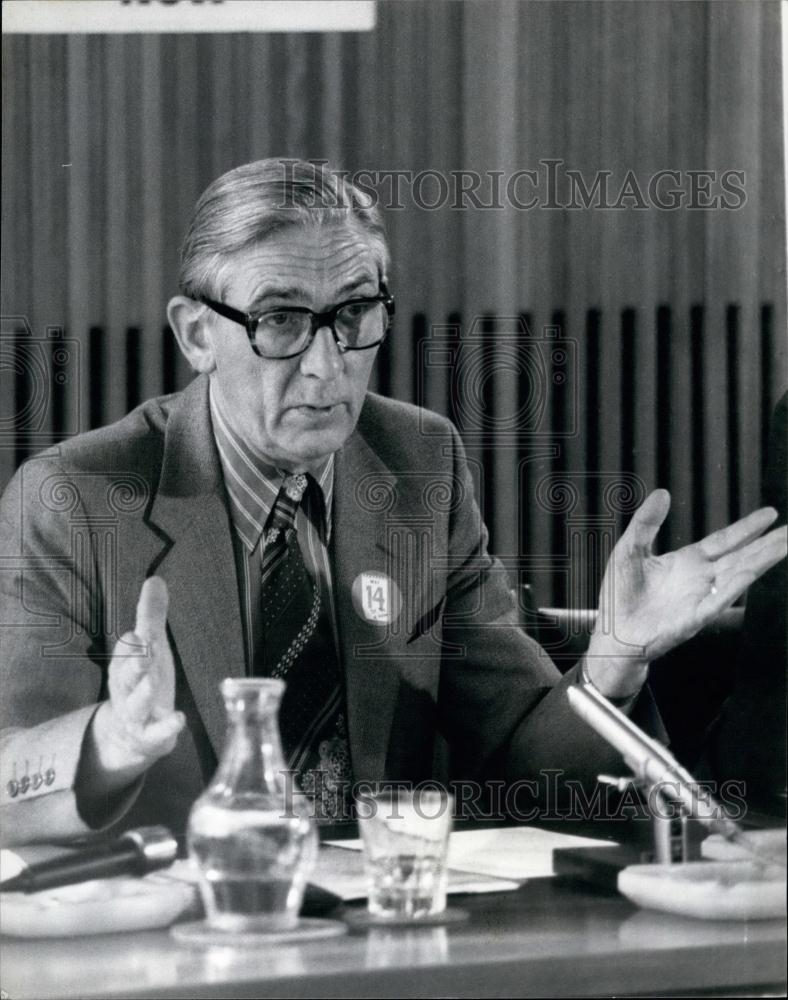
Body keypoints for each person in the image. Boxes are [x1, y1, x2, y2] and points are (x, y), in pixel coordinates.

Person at [1, 159, 785, 844]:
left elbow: (523, 754)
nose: (326, 365)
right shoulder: (76, 498)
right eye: (280, 320)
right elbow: (8, 777)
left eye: (352, 315)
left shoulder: (418, 465)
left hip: (388, 923)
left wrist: (614, 657)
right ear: (197, 334)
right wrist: (109, 742)